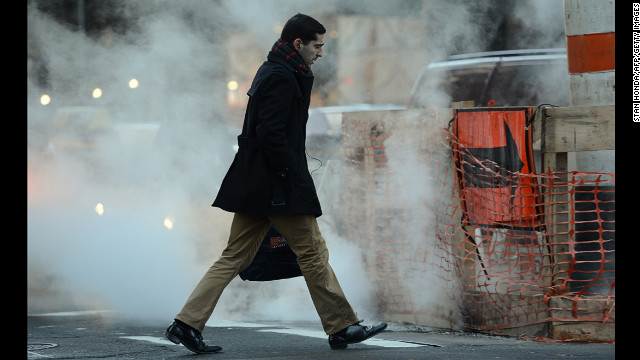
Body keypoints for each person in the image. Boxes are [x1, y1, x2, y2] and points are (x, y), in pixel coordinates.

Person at [164, 13, 387, 354]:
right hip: (277, 187)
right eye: (317, 45)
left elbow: (269, 134)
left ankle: (185, 324)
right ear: (298, 44)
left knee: (233, 256)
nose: (321, 53)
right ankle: (342, 326)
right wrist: (291, 175)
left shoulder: (277, 70)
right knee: (312, 252)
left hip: (259, 182)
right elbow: (271, 135)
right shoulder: (283, 76)